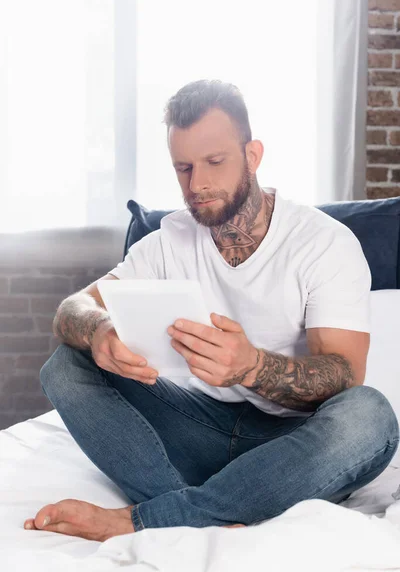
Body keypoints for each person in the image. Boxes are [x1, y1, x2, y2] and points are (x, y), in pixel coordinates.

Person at [24, 79, 399, 541]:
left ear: (253, 155)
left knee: (370, 415)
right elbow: (72, 307)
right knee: (67, 363)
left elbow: (345, 375)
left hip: (295, 446)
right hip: (197, 431)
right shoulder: (167, 240)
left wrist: (251, 366)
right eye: (183, 167)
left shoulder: (324, 243)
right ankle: (210, 511)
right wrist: (100, 330)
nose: (196, 184)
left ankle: (149, 519)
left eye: (214, 162)